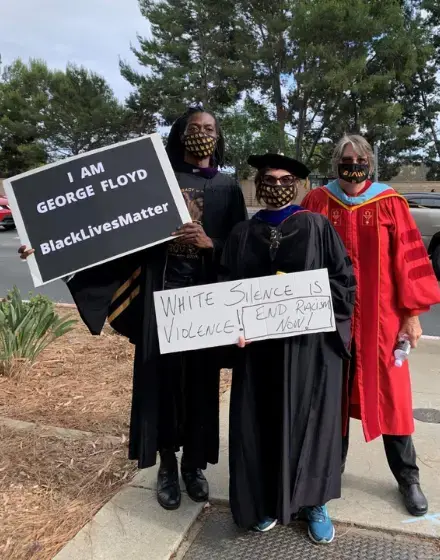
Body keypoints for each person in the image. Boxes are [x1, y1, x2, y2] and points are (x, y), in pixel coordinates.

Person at [19, 106, 247, 511]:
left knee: (199, 385)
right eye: (194, 127)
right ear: (179, 134)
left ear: (219, 136)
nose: (202, 133)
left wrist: (211, 244)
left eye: (209, 128)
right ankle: (166, 463)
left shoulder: (227, 188)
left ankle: (194, 465)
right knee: (161, 385)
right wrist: (48, 249)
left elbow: (241, 244)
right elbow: (102, 228)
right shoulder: (155, 181)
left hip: (205, 300)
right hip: (160, 298)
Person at [220, 153, 356, 544]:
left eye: (284, 179)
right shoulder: (242, 234)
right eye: (267, 178)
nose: (275, 185)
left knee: (312, 425)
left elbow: (344, 281)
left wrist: (302, 293)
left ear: (297, 185)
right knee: (260, 422)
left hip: (310, 350)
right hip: (259, 353)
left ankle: (314, 503)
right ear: (258, 184)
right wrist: (234, 327)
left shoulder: (316, 226)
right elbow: (227, 286)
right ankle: (265, 501)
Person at [302, 134, 440, 517]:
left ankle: (408, 478)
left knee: (393, 399)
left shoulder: (390, 202)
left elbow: (408, 261)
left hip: (382, 322)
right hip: (329, 320)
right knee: (330, 399)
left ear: (370, 162)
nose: (353, 164)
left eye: (360, 157)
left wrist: (412, 315)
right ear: (336, 163)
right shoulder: (317, 201)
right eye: (346, 158)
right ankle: (328, 476)